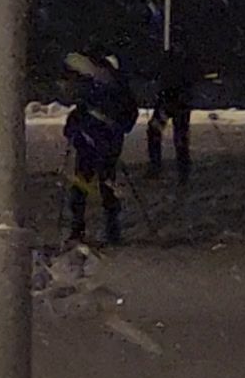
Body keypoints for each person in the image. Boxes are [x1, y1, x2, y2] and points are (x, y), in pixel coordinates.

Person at [62, 51, 139, 246]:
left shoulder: (103, 87)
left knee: (91, 184)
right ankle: (102, 228)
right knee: (98, 183)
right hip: (98, 142)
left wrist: (74, 130)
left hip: (97, 142)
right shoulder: (111, 86)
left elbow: (127, 114)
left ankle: (84, 228)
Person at [145, 44, 197, 183]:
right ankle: (179, 169)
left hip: (175, 103)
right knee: (174, 136)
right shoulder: (179, 60)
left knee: (177, 137)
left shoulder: (176, 60)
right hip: (173, 102)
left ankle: (179, 169)